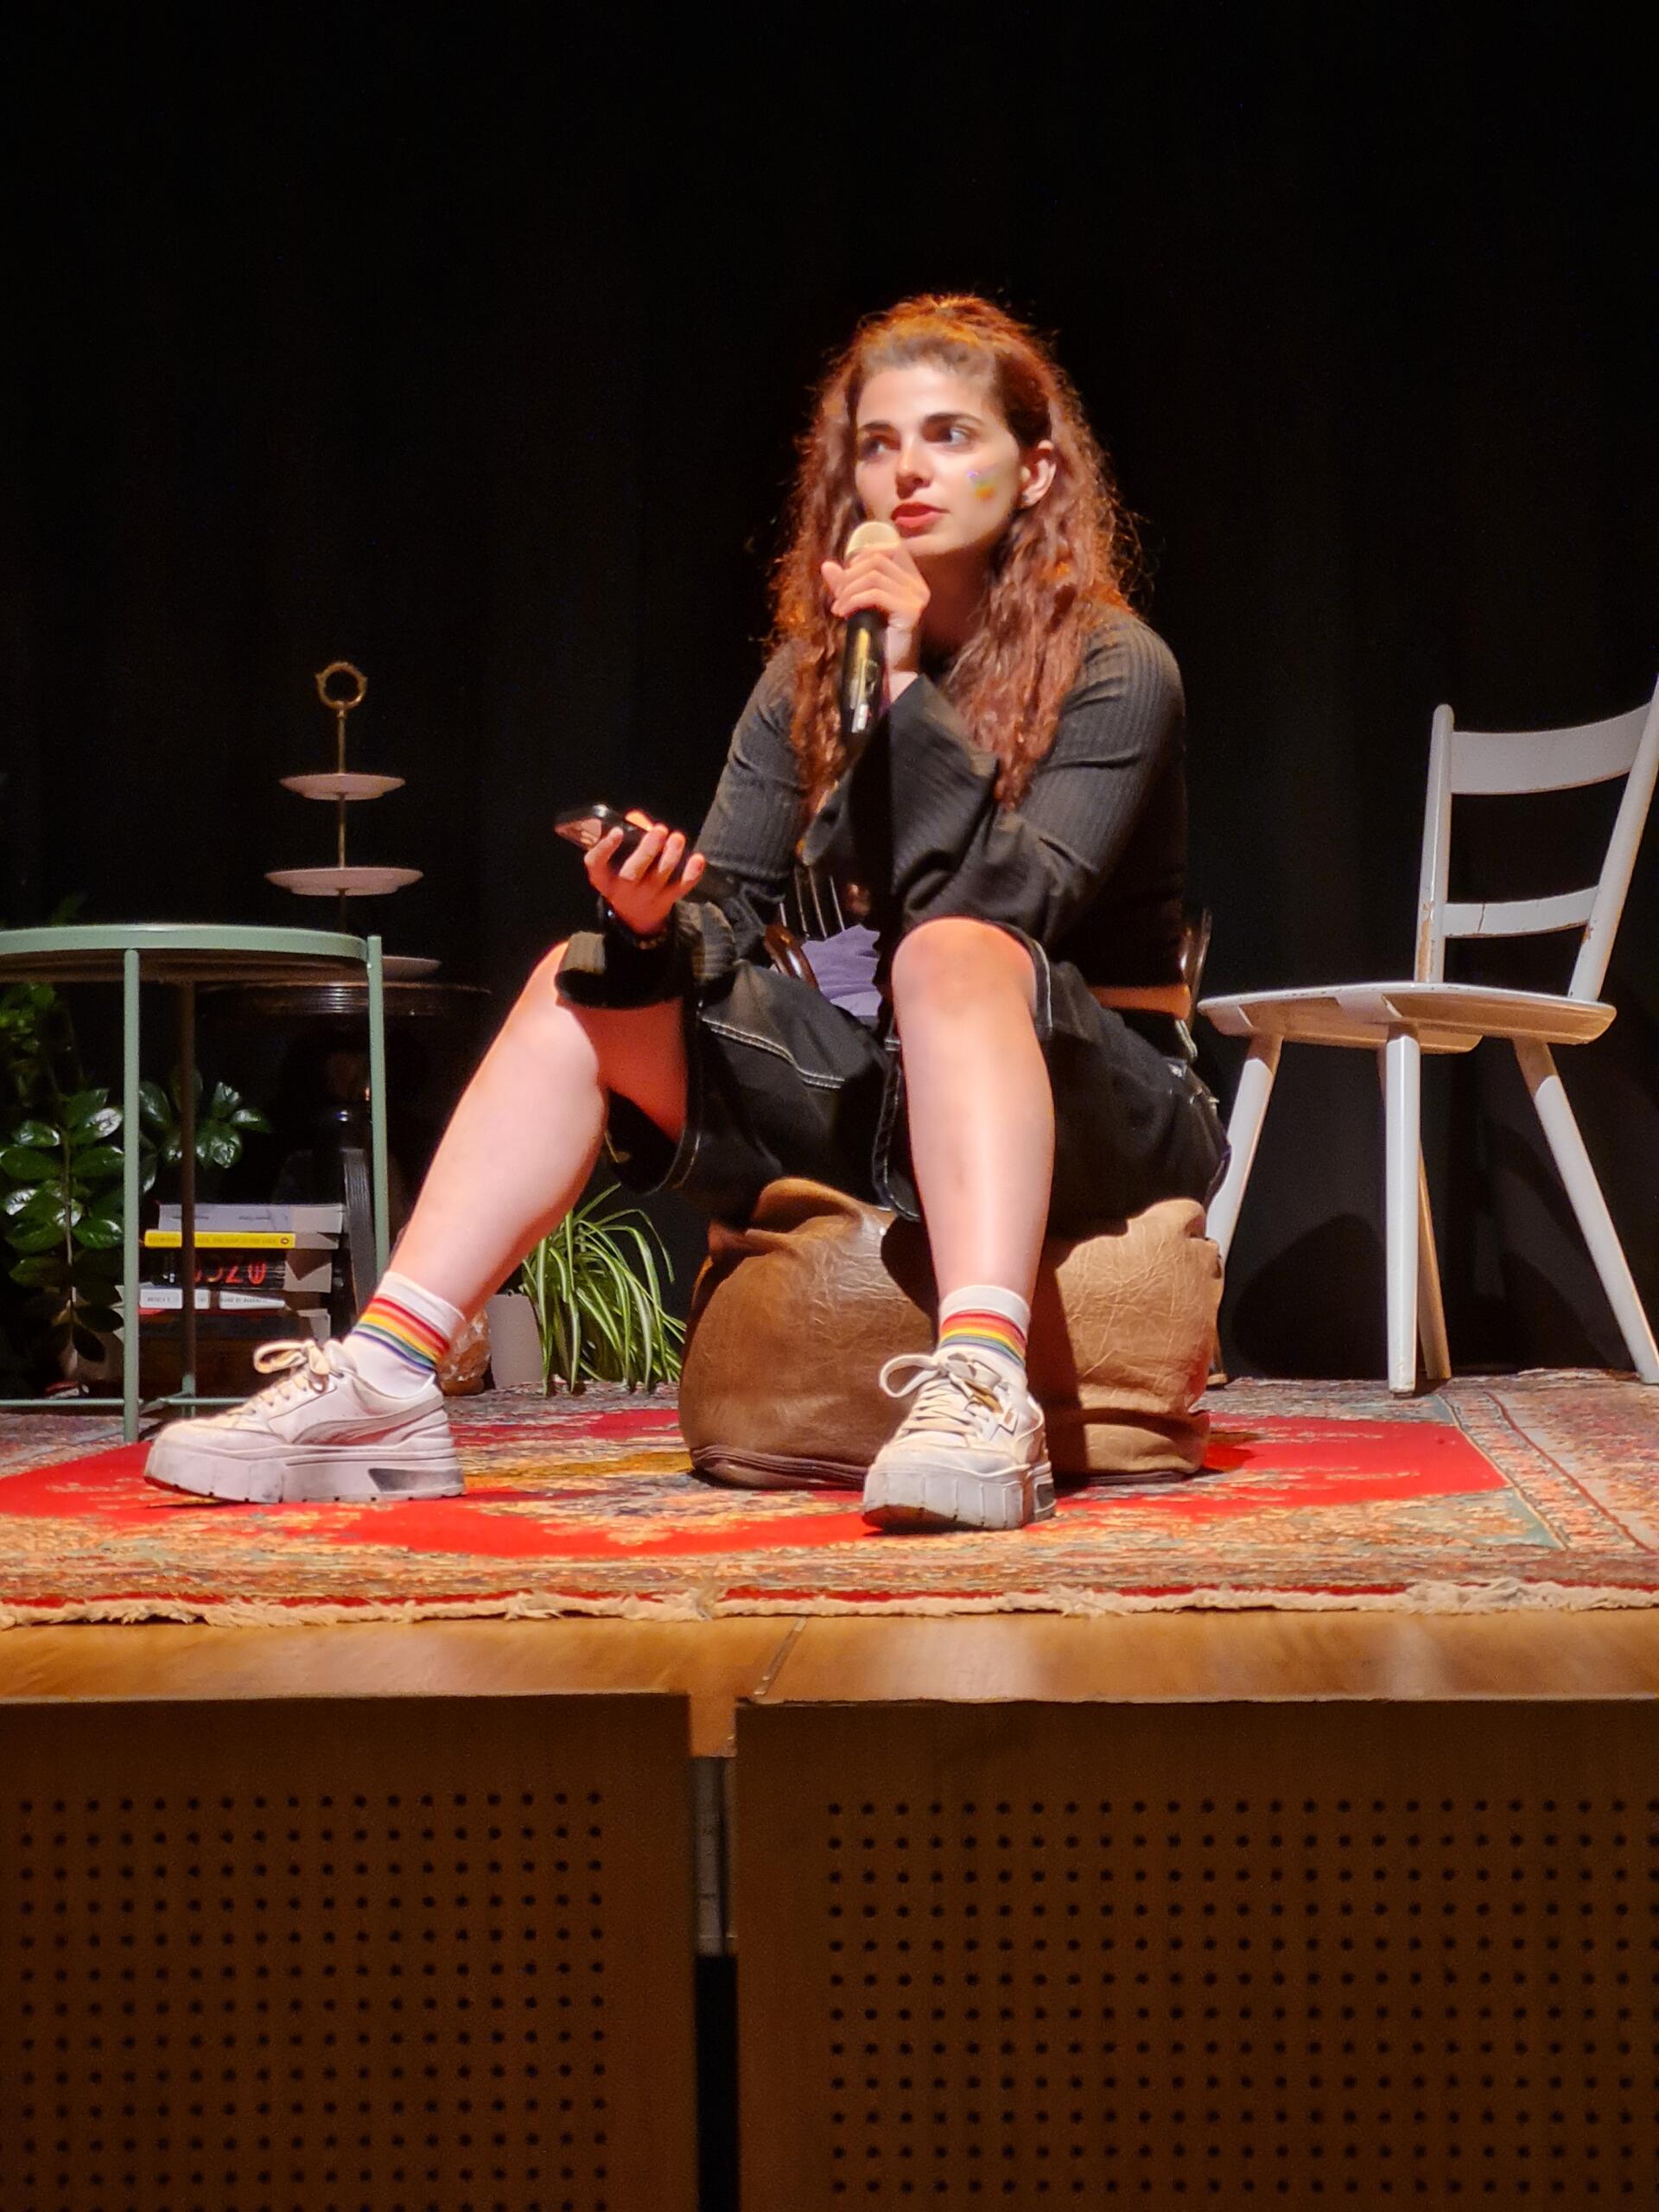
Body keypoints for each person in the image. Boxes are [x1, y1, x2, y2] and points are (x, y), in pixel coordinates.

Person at [146, 295, 1226, 1532]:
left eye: (950, 436)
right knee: (584, 977)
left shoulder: (1114, 665)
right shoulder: (810, 679)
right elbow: (737, 912)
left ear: (1032, 472)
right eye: (879, 444)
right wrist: (653, 915)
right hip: (879, 1083)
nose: (909, 470)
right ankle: (390, 1376)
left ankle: (982, 1386)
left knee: (956, 948)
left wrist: (904, 674)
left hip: (1106, 1098)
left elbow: (1013, 906)